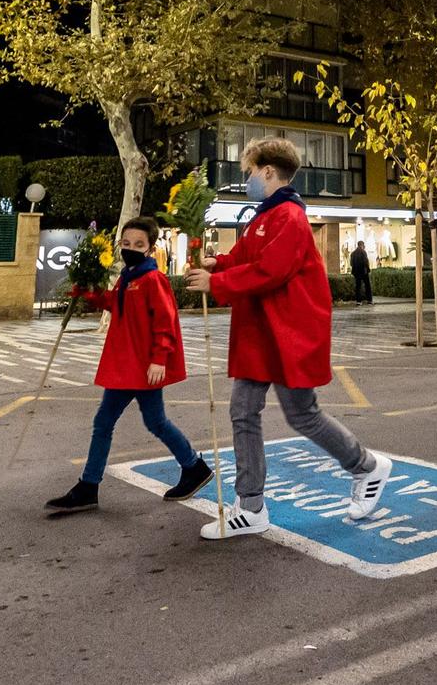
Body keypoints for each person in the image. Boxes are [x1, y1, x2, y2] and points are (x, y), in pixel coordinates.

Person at [185, 137, 392, 539]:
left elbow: (271, 271)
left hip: (284, 332)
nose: (246, 180)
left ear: (267, 171)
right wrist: (219, 263)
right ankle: (251, 507)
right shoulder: (267, 216)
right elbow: (249, 258)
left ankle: (367, 466)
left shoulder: (289, 218)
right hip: (264, 332)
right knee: (243, 411)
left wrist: (218, 282)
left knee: (302, 414)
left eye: (248, 173)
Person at [44, 216, 211, 515]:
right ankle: (190, 468)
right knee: (123, 422)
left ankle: (91, 486)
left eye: (138, 244)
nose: (130, 248)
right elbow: (115, 303)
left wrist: (159, 359)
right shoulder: (128, 277)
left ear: (150, 248)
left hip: (143, 366)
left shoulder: (152, 279)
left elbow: (165, 322)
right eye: (125, 243)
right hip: (126, 365)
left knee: (125, 422)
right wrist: (91, 294)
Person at [348, 239, 373, 305]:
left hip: (356, 272)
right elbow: (365, 262)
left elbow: (351, 263)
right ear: (362, 245)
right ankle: (369, 300)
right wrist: (368, 270)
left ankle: (358, 301)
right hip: (364, 272)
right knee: (367, 286)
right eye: (363, 245)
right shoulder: (363, 252)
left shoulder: (353, 253)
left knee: (358, 286)